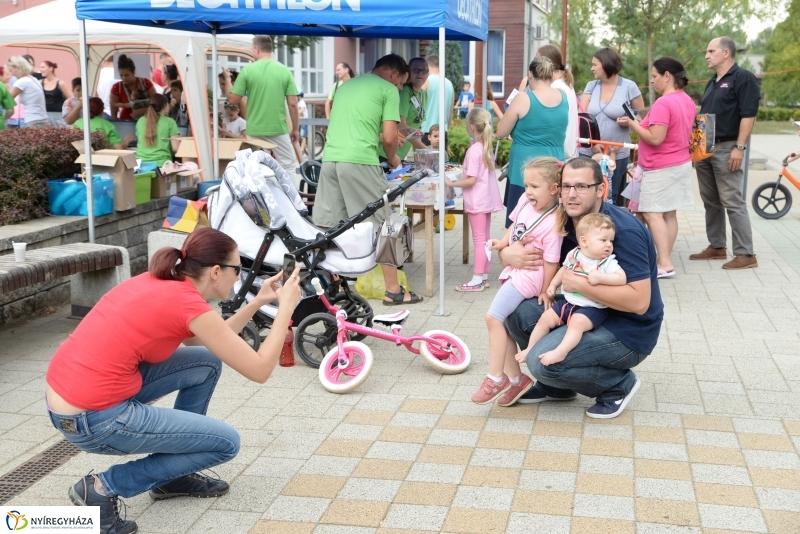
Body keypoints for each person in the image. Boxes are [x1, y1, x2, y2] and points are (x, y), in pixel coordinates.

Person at [46, 227, 303, 534]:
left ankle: (171, 476)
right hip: (94, 418)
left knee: (206, 363)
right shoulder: (186, 303)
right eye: (239, 268)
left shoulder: (165, 283)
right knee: (226, 444)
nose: (240, 277)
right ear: (216, 271)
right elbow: (260, 370)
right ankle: (102, 488)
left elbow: (207, 344)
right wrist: (285, 308)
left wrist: (258, 302)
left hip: (69, 400)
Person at [501, 157, 663, 419]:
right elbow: (518, 250)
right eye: (566, 187)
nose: (571, 194)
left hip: (629, 330)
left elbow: (639, 302)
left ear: (600, 190)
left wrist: (581, 285)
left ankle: (617, 386)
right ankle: (557, 388)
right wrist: (506, 255)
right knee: (517, 311)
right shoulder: (562, 221)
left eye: (581, 187)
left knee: (539, 362)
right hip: (583, 310)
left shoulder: (622, 231)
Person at [313, 53, 423, 306]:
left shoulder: (345, 86)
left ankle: (328, 286)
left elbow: (350, 126)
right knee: (384, 225)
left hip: (330, 160)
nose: (398, 89)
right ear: (394, 75)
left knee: (330, 226)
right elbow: (388, 137)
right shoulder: (388, 90)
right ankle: (393, 290)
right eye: (399, 83)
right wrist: (393, 156)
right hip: (360, 161)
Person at [472, 157, 564, 406]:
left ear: (554, 188)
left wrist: (546, 290)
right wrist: (503, 243)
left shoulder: (555, 223)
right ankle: (516, 380)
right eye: (526, 186)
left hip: (530, 273)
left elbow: (551, 262)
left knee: (493, 318)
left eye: (535, 186)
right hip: (517, 269)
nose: (528, 192)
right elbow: (514, 225)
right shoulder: (524, 201)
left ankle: (495, 378)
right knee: (500, 324)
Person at [618, 57, 696, 278]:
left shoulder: (664, 102)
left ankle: (664, 263)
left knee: (652, 213)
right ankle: (664, 258)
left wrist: (632, 123)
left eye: (654, 76)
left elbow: (655, 138)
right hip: (680, 162)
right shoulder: (686, 100)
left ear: (667, 76)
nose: (651, 81)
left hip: (661, 166)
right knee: (669, 213)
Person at [515, 213, 626, 368]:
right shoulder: (575, 254)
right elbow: (564, 270)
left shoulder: (607, 262)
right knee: (545, 318)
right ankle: (530, 348)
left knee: (577, 324)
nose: (609, 245)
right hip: (569, 302)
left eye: (611, 241)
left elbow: (621, 278)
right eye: (603, 240)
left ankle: (561, 351)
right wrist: (552, 285)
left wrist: (601, 278)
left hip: (592, 308)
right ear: (584, 241)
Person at [690, 36, 760, 270]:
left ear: (726, 53)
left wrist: (739, 147)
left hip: (728, 146)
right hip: (705, 147)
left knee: (732, 199)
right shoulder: (713, 81)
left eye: (711, 51)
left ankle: (746, 253)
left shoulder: (743, 78)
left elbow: (748, 114)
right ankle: (717, 246)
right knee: (710, 200)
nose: (707, 55)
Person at [496, 56, 568, 227]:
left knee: (522, 220)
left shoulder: (523, 98)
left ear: (530, 74)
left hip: (525, 167)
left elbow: (501, 131)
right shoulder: (563, 97)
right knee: (551, 220)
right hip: (554, 164)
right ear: (552, 76)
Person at [444, 108, 504, 292]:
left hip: (477, 201)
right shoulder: (487, 148)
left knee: (479, 240)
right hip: (486, 200)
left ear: (471, 127)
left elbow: (471, 179)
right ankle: (483, 276)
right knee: (485, 239)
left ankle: (477, 278)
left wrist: (451, 183)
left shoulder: (474, 151)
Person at [579, 47, 645, 204]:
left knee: (610, 195)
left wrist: (629, 120)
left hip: (616, 152)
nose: (591, 68)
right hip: (589, 151)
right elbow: (581, 117)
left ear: (606, 64)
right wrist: (594, 146)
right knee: (585, 193)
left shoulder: (629, 86)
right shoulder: (591, 86)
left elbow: (641, 118)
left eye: (595, 65)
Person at [228, 36, 299, 178]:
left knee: (255, 166)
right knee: (288, 165)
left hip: (254, 129)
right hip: (277, 128)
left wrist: (228, 80)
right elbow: (293, 103)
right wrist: (296, 129)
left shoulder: (247, 71)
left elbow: (233, 99)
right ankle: (290, 199)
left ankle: (258, 198)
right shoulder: (284, 71)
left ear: (256, 48)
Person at [379, 57, 429, 163]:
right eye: (415, 69)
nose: (420, 73)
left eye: (424, 70)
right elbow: (401, 125)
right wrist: (425, 150)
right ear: (409, 72)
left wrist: (420, 155)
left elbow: (416, 125)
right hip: (385, 152)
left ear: (428, 73)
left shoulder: (423, 94)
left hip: (401, 152)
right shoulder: (404, 91)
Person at [535, 45, 578, 158]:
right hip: (567, 150)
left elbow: (546, 122)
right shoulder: (565, 84)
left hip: (557, 153)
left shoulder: (555, 87)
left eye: (536, 60)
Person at [421, 55, 454, 153]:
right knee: (442, 165)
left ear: (427, 66)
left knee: (426, 166)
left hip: (427, 131)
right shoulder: (449, 83)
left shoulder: (426, 82)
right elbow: (451, 110)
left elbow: (418, 107)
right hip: (443, 131)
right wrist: (446, 128)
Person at [135, 94, 180, 166]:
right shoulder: (170, 122)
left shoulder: (140, 121)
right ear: (165, 106)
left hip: (140, 165)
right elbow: (176, 148)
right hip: (162, 166)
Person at [110, 54, 157, 121]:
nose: (124, 78)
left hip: (146, 122)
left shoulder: (146, 83)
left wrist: (143, 110)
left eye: (127, 75)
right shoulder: (117, 87)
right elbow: (113, 115)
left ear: (133, 72)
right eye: (121, 75)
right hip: (125, 122)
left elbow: (157, 104)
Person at [7, 56, 48, 128]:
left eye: (11, 70)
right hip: (42, 119)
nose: (12, 74)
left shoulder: (22, 81)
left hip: (33, 121)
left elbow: (6, 99)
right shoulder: (33, 79)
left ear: (17, 68)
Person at [95, 55, 119, 119]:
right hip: (117, 113)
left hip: (102, 113)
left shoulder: (100, 72)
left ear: (107, 62)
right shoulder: (121, 74)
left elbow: (96, 95)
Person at [296, 89, 308, 155]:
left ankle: (302, 150)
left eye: (297, 96)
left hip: (304, 120)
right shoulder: (296, 102)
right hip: (298, 121)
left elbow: (302, 109)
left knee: (303, 135)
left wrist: (296, 113)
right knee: (296, 135)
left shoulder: (302, 102)